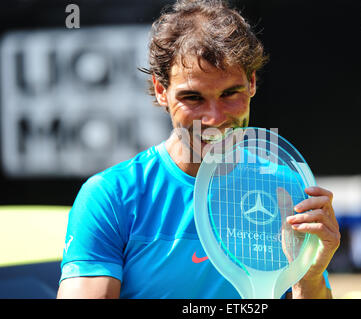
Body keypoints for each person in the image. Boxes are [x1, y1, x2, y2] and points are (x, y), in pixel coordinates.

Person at [57, 0, 340, 299]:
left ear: (252, 83)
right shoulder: (111, 196)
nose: (214, 117)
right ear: (160, 90)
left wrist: (308, 277)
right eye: (193, 98)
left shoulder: (287, 189)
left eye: (230, 93)